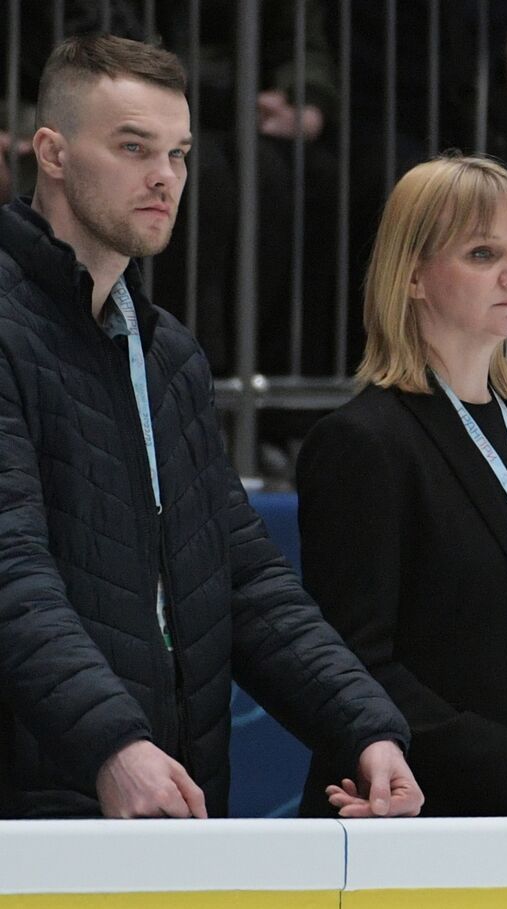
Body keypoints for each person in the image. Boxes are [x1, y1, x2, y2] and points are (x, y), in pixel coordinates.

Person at [0, 35, 422, 819]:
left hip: (173, 804)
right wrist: (112, 745)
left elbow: (240, 576)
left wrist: (364, 726)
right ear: (50, 153)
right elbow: (10, 569)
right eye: (133, 148)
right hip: (37, 818)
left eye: (179, 153)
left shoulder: (169, 354)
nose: (165, 176)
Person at [295, 154, 507, 817]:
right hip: (407, 817)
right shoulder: (363, 442)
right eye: (483, 253)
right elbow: (357, 666)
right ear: (413, 276)